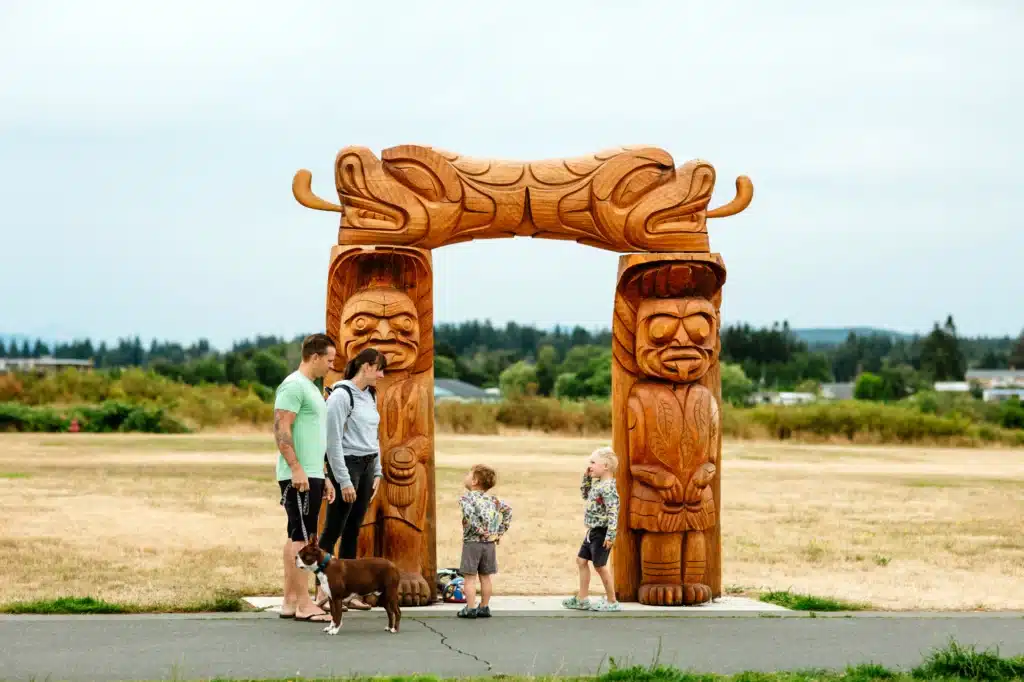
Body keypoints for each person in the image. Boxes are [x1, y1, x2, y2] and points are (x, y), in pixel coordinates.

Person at [315, 347, 387, 612]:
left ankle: (345, 592)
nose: (381, 375)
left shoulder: (370, 395)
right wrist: (344, 480)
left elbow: (373, 437)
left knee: (353, 529)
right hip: (347, 464)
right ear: (366, 366)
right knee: (333, 528)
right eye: (379, 369)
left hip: (367, 464)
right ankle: (321, 591)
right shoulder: (341, 396)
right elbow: (332, 443)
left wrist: (377, 470)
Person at [274, 333, 337, 622]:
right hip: (297, 475)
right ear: (315, 357)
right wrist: (296, 468)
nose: (331, 366)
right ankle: (303, 604)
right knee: (302, 540)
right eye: (330, 360)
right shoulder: (293, 386)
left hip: (311, 474)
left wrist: (321, 474)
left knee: (296, 536)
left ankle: (290, 601)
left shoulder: (311, 388)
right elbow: (282, 429)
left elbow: (313, 436)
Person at [562, 446, 621, 612]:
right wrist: (586, 478)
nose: (590, 466)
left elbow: (613, 511)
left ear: (606, 467)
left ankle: (612, 601)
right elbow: (585, 494)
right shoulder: (598, 484)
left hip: (602, 533)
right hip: (592, 532)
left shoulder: (608, 487)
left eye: (593, 462)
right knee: (581, 561)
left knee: (600, 566)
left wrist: (610, 535)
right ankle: (582, 598)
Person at [456, 464, 512, 619]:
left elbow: (469, 517)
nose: (466, 476)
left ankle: (471, 607)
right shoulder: (494, 500)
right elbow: (508, 511)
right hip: (489, 544)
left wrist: (480, 531)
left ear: (474, 481)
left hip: (472, 543)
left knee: (470, 577)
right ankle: (484, 606)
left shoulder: (466, 499)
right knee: (485, 576)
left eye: (468, 474)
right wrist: (498, 531)